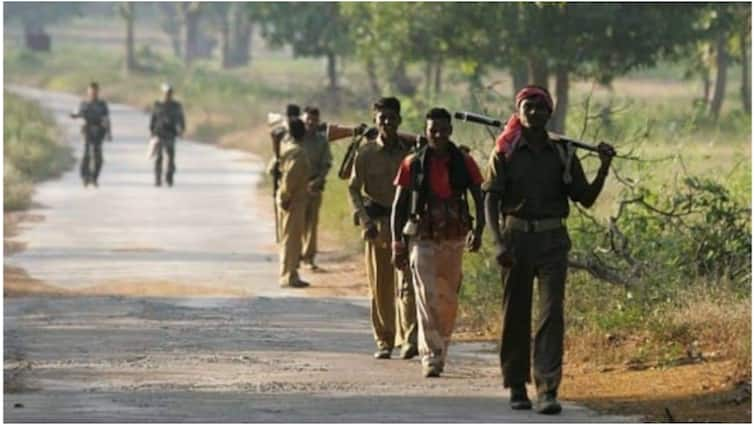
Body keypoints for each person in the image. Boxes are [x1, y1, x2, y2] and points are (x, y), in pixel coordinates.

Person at [482, 86, 615, 414]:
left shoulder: (563, 153)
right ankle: (516, 385)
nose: (534, 113)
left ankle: (547, 388)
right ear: (519, 110)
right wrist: (498, 242)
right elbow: (491, 198)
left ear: (550, 112)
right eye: (528, 107)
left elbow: (584, 197)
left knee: (551, 314)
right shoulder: (506, 150)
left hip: (553, 241)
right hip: (515, 240)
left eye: (541, 108)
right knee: (516, 314)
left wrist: (603, 166)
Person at [391, 107, 485, 378]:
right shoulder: (413, 162)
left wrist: (478, 230)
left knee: (448, 299)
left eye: (443, 130)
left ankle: (440, 347)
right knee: (425, 295)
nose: (439, 135)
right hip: (423, 237)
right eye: (433, 130)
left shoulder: (464, 161)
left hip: (454, 237)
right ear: (426, 131)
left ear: (451, 131)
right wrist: (398, 243)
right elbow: (399, 205)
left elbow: (479, 197)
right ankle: (431, 355)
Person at [348, 97, 418, 360]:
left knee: (409, 283)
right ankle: (384, 340)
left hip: (405, 226)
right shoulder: (365, 154)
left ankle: (409, 338)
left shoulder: (410, 153)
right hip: (377, 226)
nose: (387, 123)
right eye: (382, 119)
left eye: (391, 118)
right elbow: (353, 189)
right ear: (376, 122)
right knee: (381, 285)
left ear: (399, 120)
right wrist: (364, 220)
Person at [273, 118, 312, 288]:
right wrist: (286, 197)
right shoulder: (299, 153)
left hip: (288, 198)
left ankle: (289, 273)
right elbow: (291, 177)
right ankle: (289, 275)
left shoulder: (287, 148)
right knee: (292, 240)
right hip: (293, 200)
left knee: (288, 238)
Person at [299, 106, 333, 271]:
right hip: (297, 187)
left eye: (314, 120)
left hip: (314, 186)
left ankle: (309, 258)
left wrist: (317, 181)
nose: (310, 123)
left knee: (312, 224)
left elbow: (326, 164)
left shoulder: (322, 141)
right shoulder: (296, 138)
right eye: (307, 120)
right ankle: (295, 255)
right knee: (297, 224)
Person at [70, 82, 111, 187]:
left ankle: (94, 177)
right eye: (91, 91)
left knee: (98, 157)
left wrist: (108, 133)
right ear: (88, 92)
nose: (93, 93)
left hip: (99, 131)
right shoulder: (84, 104)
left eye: (95, 91)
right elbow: (77, 113)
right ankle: (85, 177)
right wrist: (74, 115)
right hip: (87, 130)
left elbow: (106, 119)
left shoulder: (102, 105)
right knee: (87, 154)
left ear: (98, 91)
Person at [149, 83, 186, 187]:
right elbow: (153, 118)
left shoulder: (176, 106)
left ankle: (169, 177)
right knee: (159, 157)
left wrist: (182, 130)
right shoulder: (158, 104)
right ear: (163, 93)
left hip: (170, 133)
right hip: (159, 133)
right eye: (166, 93)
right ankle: (158, 179)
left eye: (169, 93)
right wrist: (151, 131)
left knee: (170, 157)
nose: (168, 95)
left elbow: (181, 119)